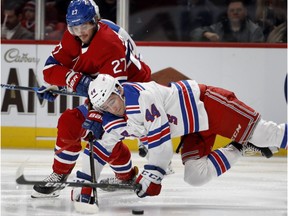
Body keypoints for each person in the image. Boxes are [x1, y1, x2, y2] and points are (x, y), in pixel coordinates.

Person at [85, 74, 286, 199]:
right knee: (195, 176)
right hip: (193, 130)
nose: (112, 108)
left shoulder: (143, 97)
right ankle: (241, 146)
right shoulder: (111, 118)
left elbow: (161, 142)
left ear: (118, 90)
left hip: (207, 106)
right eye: (104, 107)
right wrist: (84, 184)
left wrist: (153, 175)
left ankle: (254, 139)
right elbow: (100, 151)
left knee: (269, 135)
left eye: (112, 100)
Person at [31, 0, 151, 198]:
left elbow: (113, 98)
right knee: (71, 122)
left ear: (95, 21)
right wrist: (66, 81)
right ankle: (61, 175)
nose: (79, 32)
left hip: (132, 95)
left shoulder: (110, 44)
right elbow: (49, 69)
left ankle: (125, 175)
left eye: (84, 26)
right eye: (74, 26)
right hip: (107, 88)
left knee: (99, 132)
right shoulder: (73, 35)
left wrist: (83, 90)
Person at [191, 0, 265, 42]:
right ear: (228, 13)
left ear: (245, 12)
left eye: (239, 10)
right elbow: (194, 33)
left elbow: (257, 53)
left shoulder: (255, 30)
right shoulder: (219, 26)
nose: (235, 13)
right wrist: (205, 33)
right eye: (232, 10)